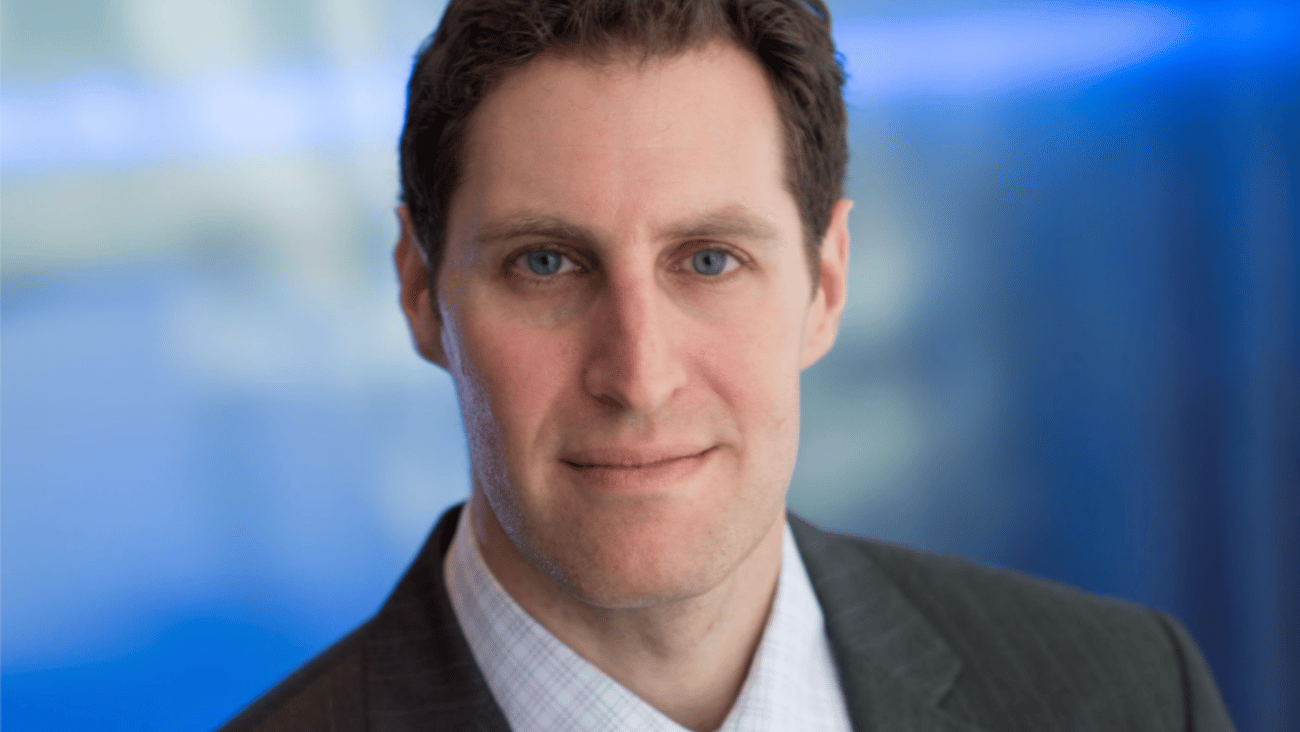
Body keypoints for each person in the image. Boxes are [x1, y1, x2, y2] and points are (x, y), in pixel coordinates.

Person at [219, 1, 1236, 730]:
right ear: (418, 291)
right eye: (545, 263)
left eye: (710, 260)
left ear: (825, 284)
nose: (639, 373)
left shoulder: (1131, 695)